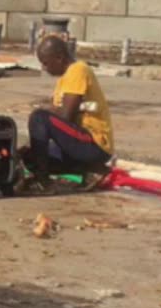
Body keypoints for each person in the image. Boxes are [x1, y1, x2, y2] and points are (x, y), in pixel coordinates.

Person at [22, 35, 115, 191]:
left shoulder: (77, 71)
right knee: (29, 157)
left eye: (45, 63)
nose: (44, 68)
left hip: (94, 143)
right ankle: (93, 170)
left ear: (59, 57)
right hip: (77, 142)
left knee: (39, 118)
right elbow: (58, 122)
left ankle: (43, 181)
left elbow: (65, 116)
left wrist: (47, 112)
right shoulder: (63, 80)